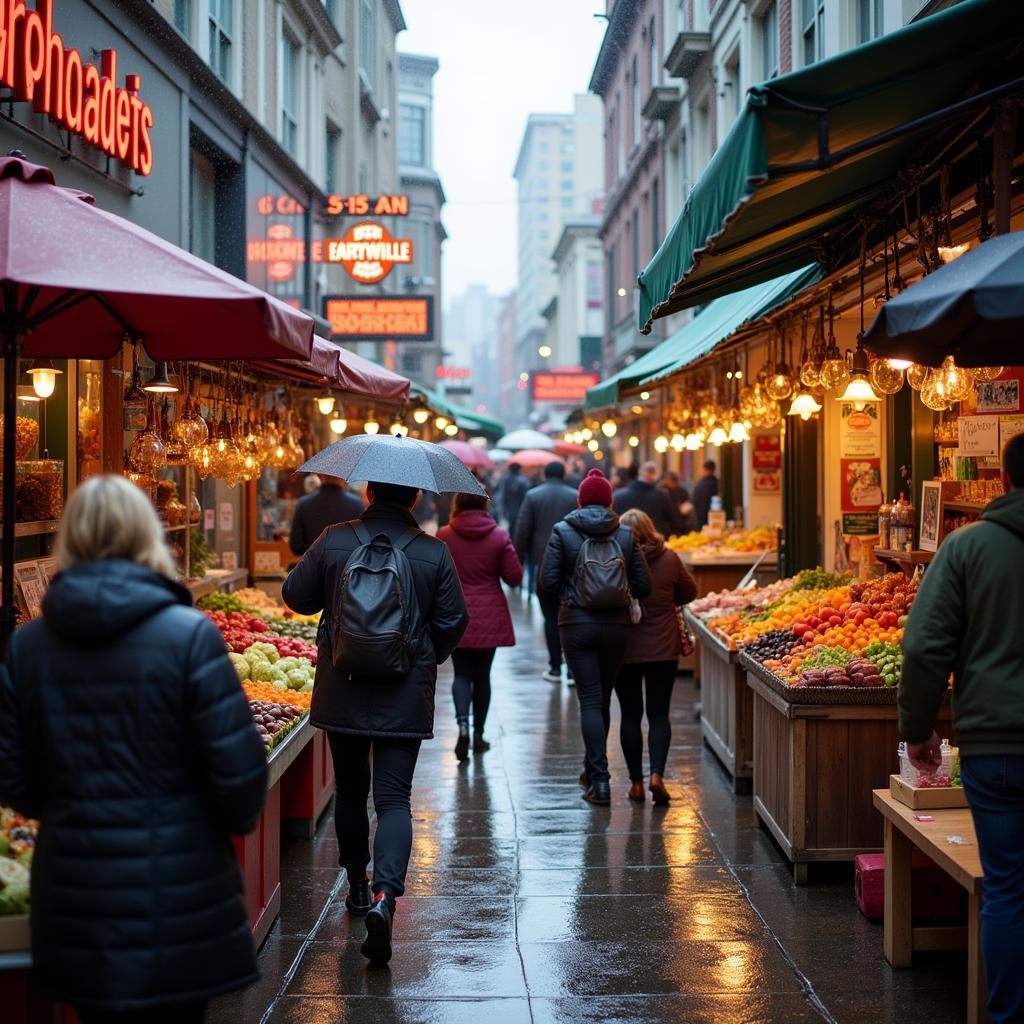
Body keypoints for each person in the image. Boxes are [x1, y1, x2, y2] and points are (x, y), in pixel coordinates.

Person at [0, 475, 267, 1024]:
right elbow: (241, 781)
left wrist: (73, 808)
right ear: (148, 535)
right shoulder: (189, 635)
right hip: (181, 893)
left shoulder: (28, 647)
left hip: (78, 896)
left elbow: (12, 777)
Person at [282, 481, 468, 966]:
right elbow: (453, 622)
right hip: (404, 692)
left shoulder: (334, 538)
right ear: (413, 500)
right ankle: (387, 897)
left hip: (341, 685)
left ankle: (358, 888)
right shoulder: (433, 551)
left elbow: (295, 597)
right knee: (392, 798)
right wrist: (421, 656)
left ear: (367, 493)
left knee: (348, 791)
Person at [899, 433, 1024, 1024]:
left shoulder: (968, 547)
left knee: (1005, 888)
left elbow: (925, 646)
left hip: (995, 747)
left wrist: (919, 729)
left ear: (1002, 482)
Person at [540, 469, 651, 806]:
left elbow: (546, 581)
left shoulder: (562, 531)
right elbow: (645, 586)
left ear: (579, 500)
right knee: (601, 699)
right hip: (617, 627)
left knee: (589, 700)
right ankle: (592, 771)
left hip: (576, 625)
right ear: (609, 501)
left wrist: (569, 597)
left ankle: (599, 779)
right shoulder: (627, 535)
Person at [614, 509, 697, 805]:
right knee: (659, 713)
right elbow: (689, 592)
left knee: (630, 714)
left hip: (625, 647)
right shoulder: (670, 558)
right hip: (663, 647)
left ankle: (635, 783)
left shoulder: (616, 559)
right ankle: (657, 776)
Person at [438, 493, 523, 760]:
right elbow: (514, 577)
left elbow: (435, 575)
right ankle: (478, 734)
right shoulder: (498, 536)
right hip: (490, 615)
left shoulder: (444, 535)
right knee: (483, 676)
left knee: (461, 673)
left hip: (455, 614)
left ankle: (461, 723)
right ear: (485, 504)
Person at [514, 461, 579, 681]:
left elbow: (523, 531)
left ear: (544, 474)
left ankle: (554, 667)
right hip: (572, 565)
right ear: (563, 474)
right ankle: (571, 669)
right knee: (571, 616)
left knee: (550, 617)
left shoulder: (533, 496)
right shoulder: (574, 496)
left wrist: (519, 563)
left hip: (544, 565)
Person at [289, 474, 364, 556]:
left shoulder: (304, 504)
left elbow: (296, 547)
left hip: (314, 566)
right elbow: (362, 544)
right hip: (346, 566)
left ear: (320, 476)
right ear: (344, 477)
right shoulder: (357, 505)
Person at [612, 460, 684, 538]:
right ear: (656, 475)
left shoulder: (618, 496)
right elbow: (675, 522)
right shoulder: (662, 495)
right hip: (656, 541)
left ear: (639, 473)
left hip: (627, 542)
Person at [494, 462, 529, 535]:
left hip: (509, 509)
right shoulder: (522, 480)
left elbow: (502, 495)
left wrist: (503, 509)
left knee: (512, 528)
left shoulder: (505, 478)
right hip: (519, 509)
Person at [660, 470, 695, 535]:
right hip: (667, 525)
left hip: (680, 523)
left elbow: (688, 505)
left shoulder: (682, 492)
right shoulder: (662, 490)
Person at [692, 460, 720, 530]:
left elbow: (696, 500)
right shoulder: (715, 482)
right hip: (710, 515)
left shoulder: (705, 484)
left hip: (703, 515)